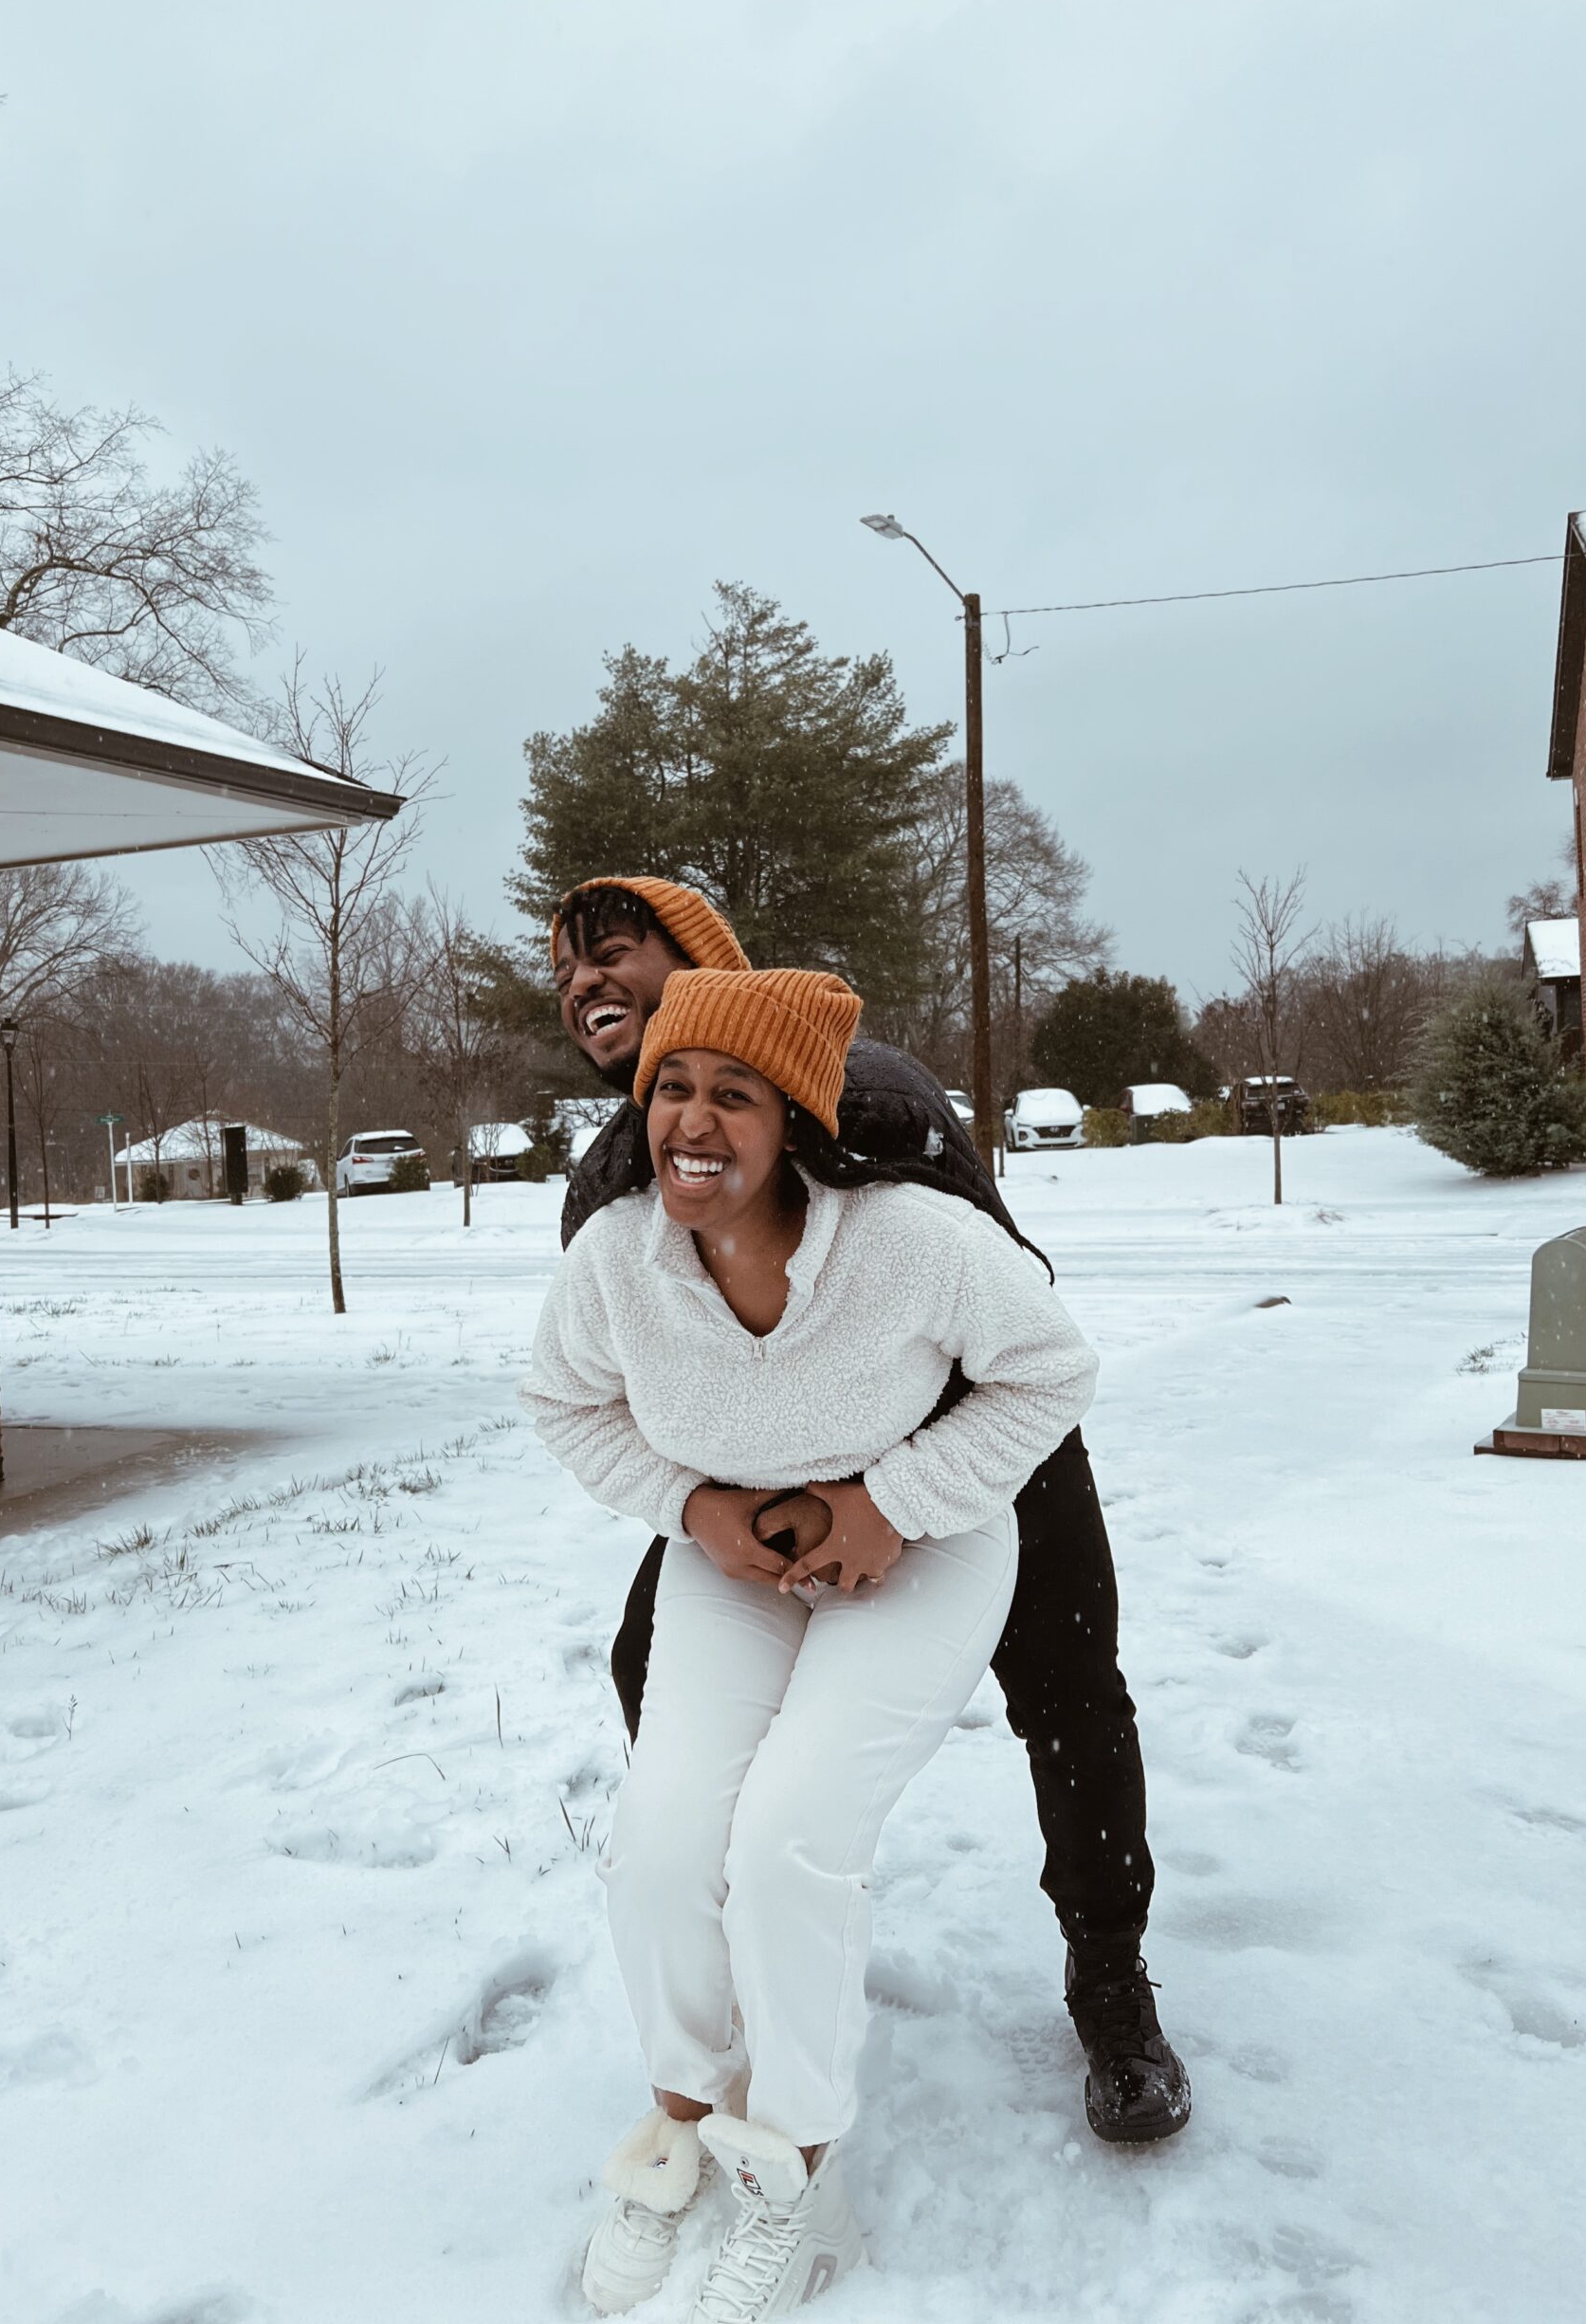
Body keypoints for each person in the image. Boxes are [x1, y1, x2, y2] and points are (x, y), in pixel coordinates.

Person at [549, 876, 1193, 2149]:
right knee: (653, 1665)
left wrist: (899, 1496)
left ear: (707, 963)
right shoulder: (617, 1173)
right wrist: (703, 1500)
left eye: (612, 958)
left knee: (1068, 1688)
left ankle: (1110, 1977)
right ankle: (755, 1932)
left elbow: (1021, 1325)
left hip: (975, 1439)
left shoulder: (880, 1099)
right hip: (769, 1474)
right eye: (567, 975)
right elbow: (621, 1376)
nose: (583, 988)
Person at [523, 964, 1098, 2318]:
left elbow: (1052, 1370)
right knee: (663, 1846)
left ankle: (799, 2173)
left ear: (796, 1122)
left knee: (787, 1843)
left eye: (734, 1094)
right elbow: (562, 1404)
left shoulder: (910, 1239)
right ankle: (676, 2128)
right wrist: (696, 1510)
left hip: (927, 1545)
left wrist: (891, 1503)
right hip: (734, 1561)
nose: (693, 1122)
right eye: (673, 1088)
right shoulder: (618, 1258)